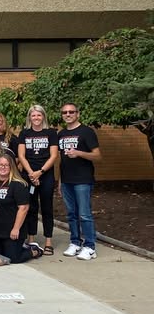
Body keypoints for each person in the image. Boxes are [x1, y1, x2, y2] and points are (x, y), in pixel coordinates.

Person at [57, 103, 102, 260]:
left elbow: (98, 156)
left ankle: (90, 247)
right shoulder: (61, 134)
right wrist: (60, 181)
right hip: (66, 180)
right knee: (71, 214)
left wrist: (79, 153)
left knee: (84, 214)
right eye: (64, 112)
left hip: (83, 179)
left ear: (78, 114)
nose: (68, 114)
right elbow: (62, 160)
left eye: (71, 112)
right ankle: (75, 242)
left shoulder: (87, 132)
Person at [0, 155, 42, 264]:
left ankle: (34, 250)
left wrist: (16, 228)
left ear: (11, 167)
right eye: (0, 165)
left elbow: (24, 208)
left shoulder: (18, 184)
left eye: (6, 165)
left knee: (12, 258)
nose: (3, 167)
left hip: (11, 231)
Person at [17, 104, 59, 255]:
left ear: (43, 116)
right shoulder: (24, 133)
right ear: (29, 117)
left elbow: (54, 156)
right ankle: (31, 238)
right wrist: (31, 173)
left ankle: (48, 241)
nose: (36, 118)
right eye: (33, 115)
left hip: (45, 175)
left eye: (39, 115)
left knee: (47, 208)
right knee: (31, 207)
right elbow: (21, 155)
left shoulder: (51, 133)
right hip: (29, 175)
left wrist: (39, 172)